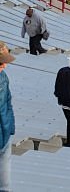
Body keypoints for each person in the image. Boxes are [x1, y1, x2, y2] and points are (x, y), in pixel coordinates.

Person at [0, 41, 15, 191]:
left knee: (5, 184)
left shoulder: (3, 77)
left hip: (5, 131)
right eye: (1, 63)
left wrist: (11, 126)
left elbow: (8, 102)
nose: (4, 65)